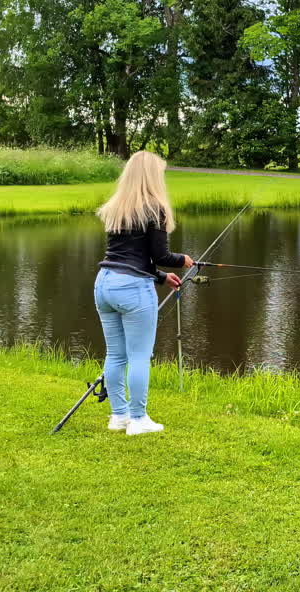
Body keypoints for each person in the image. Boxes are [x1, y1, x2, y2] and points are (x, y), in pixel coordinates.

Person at [93, 151, 193, 435]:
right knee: (139, 356)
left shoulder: (116, 207)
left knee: (115, 355)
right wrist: (182, 259)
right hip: (133, 289)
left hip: (104, 283)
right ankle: (138, 420)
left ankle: (118, 416)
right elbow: (160, 254)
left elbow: (128, 255)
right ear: (152, 175)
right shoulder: (155, 208)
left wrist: (161, 277)